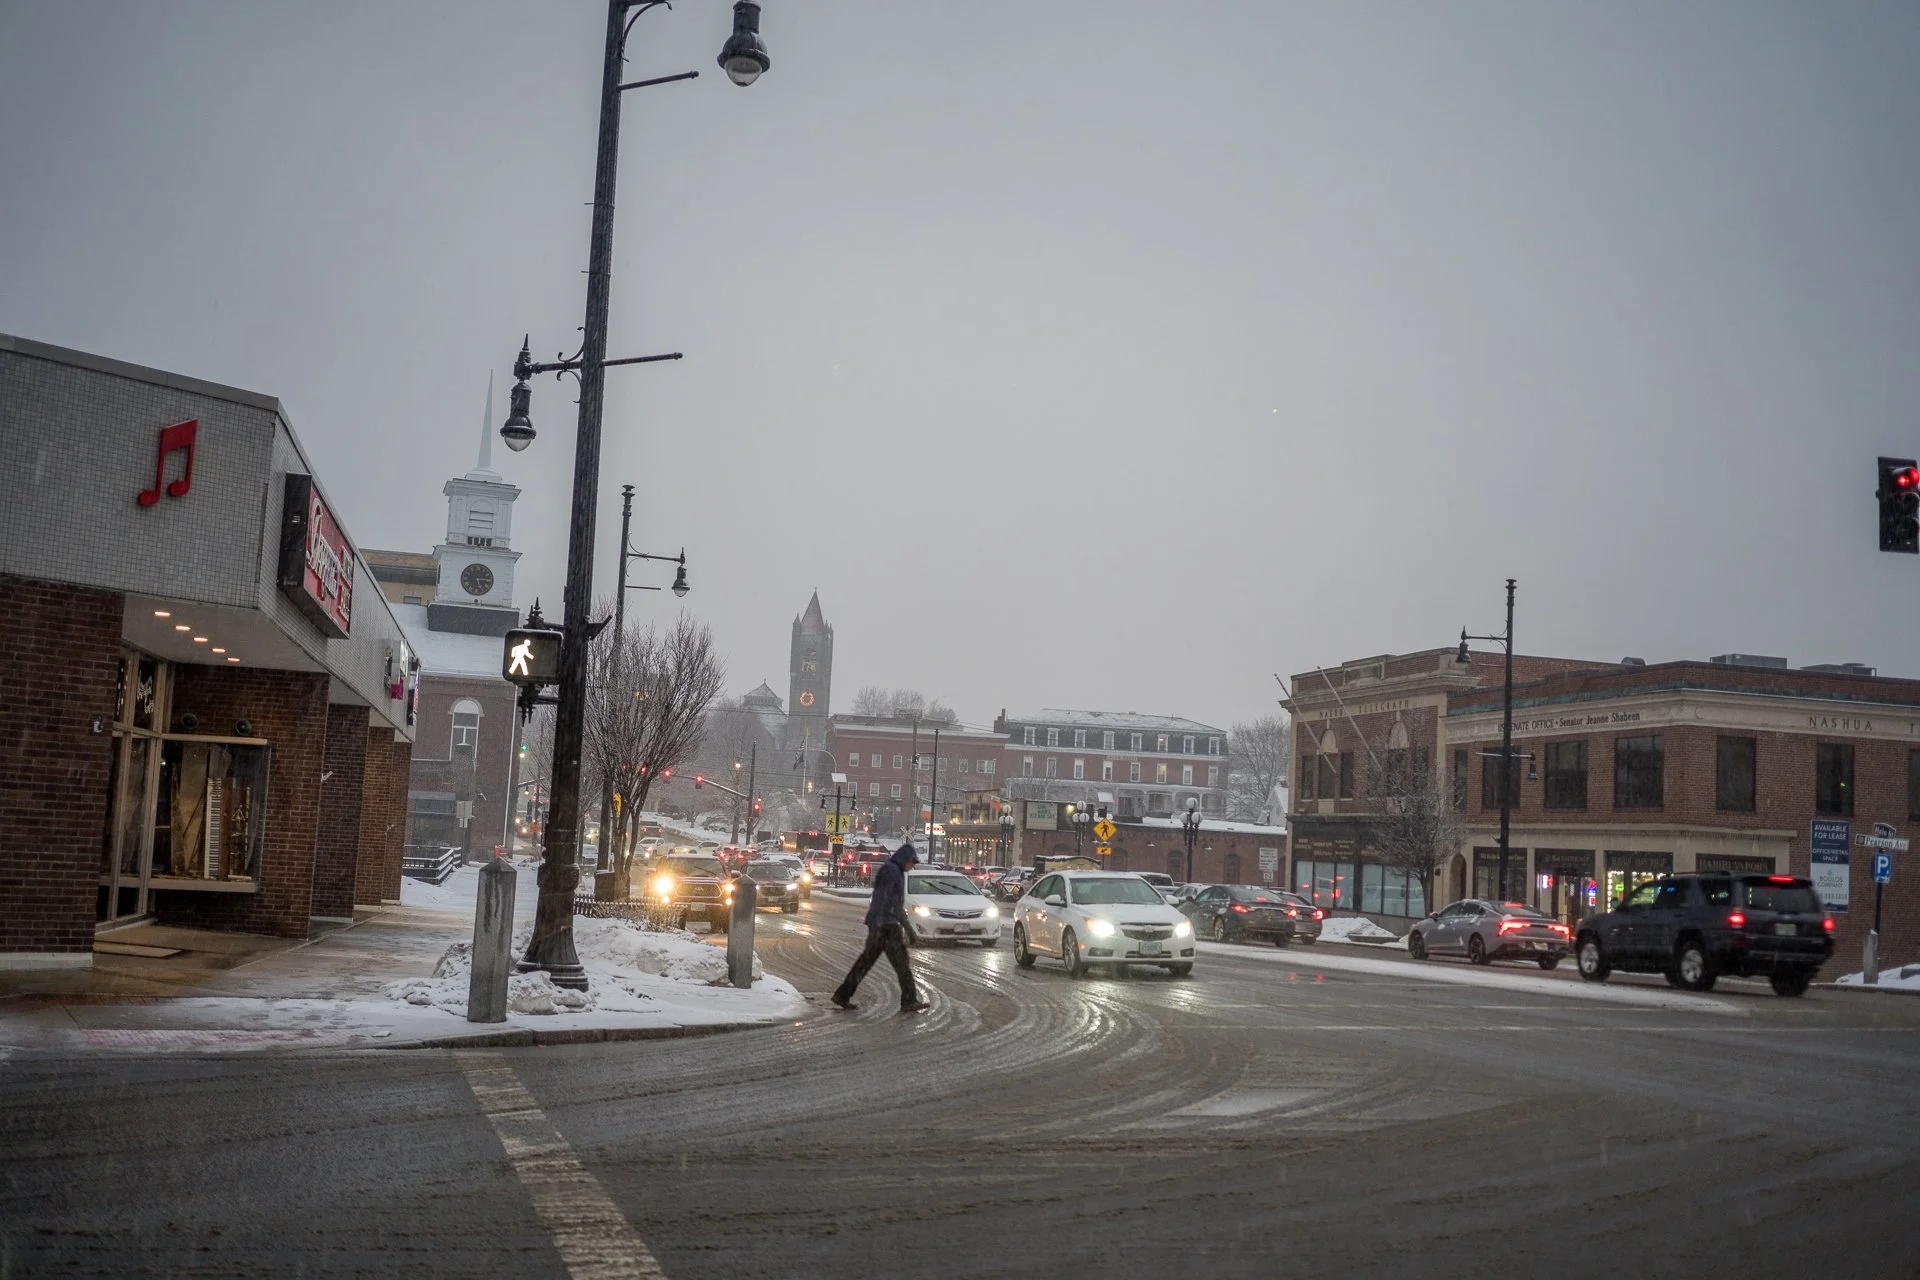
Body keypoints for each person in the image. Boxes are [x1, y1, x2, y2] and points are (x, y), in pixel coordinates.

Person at [831, 841, 930, 1014]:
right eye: (911, 863)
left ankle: (842, 995)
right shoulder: (891, 871)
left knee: (866, 962)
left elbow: (896, 905)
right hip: (886, 926)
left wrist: (907, 927)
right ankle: (909, 1000)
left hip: (883, 923)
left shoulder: (895, 871)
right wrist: (883, 923)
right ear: (905, 859)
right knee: (901, 963)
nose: (911, 867)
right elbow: (883, 899)